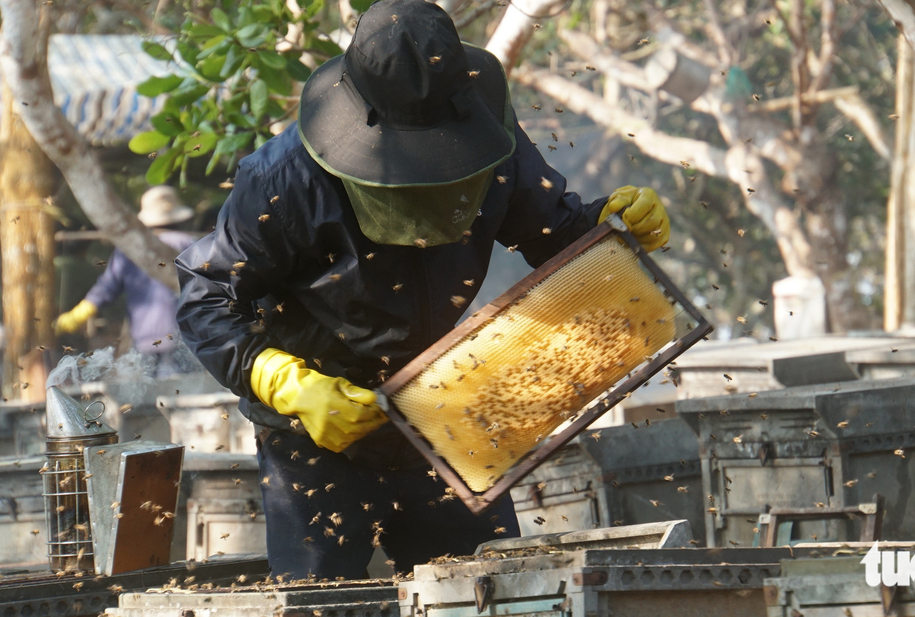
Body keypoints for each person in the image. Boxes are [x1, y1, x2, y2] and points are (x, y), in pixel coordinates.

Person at [174, 0, 669, 581]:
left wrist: (608, 228)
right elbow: (206, 292)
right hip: (318, 435)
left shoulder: (495, 142)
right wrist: (283, 380)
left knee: (487, 590)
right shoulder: (284, 179)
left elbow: (553, 232)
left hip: (445, 412)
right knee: (324, 601)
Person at [55, 186, 198, 376]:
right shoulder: (190, 244)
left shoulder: (131, 248)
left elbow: (107, 288)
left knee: (149, 396)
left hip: (144, 339)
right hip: (183, 338)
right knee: (182, 396)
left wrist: (79, 313)